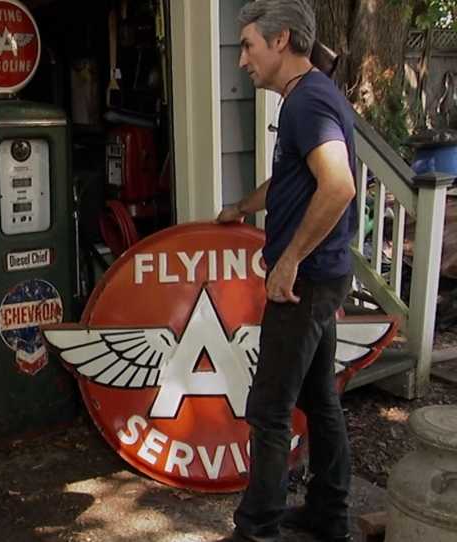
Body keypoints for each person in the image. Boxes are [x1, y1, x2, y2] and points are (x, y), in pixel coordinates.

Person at [216, 1, 357, 541]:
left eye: (248, 44)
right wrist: (244, 207)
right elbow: (295, 178)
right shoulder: (309, 96)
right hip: (322, 277)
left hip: (305, 282)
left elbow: (338, 185)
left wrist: (290, 260)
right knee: (319, 399)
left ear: (281, 41)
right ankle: (328, 514)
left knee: (270, 410)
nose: (242, 60)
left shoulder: (307, 102)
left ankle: (257, 528)